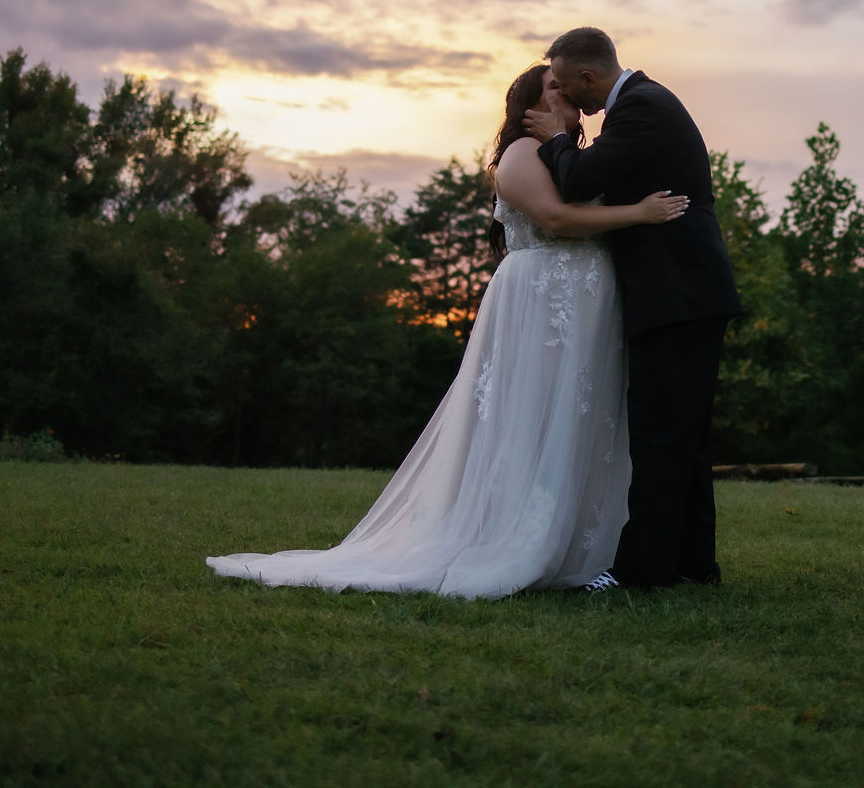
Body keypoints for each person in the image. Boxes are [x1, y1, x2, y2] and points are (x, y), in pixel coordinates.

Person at [205, 63, 687, 599]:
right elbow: (554, 219)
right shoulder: (523, 154)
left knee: (584, 417)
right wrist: (639, 213)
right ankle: (522, 538)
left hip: (590, 301)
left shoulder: (581, 156)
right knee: (536, 414)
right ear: (527, 106)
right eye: (553, 87)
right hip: (543, 299)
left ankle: (588, 544)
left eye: (567, 84)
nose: (567, 92)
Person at [523, 27, 741, 591]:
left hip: (676, 294)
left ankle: (641, 572)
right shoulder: (644, 103)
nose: (573, 104)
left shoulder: (642, 108)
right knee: (682, 435)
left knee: (661, 434)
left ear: (589, 77)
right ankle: (692, 565)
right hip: (684, 294)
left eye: (570, 88)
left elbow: (576, 182)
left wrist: (553, 137)